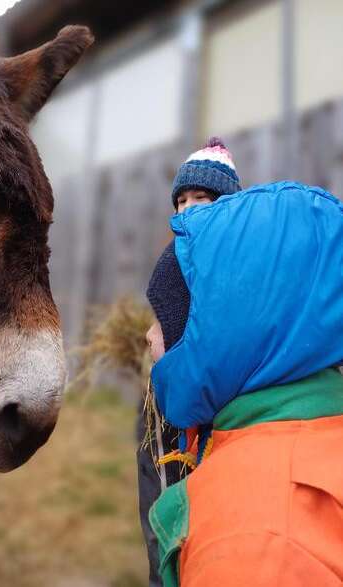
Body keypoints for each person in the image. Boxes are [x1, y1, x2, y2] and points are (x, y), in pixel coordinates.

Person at [147, 178, 343, 587]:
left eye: (166, 320)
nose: (150, 335)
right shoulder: (317, 432)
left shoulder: (255, 546)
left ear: (224, 334)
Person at [138, 137, 242, 587]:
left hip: (207, 411)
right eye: (181, 200)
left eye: (202, 197)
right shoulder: (176, 259)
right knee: (163, 507)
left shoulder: (234, 262)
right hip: (166, 412)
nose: (188, 208)